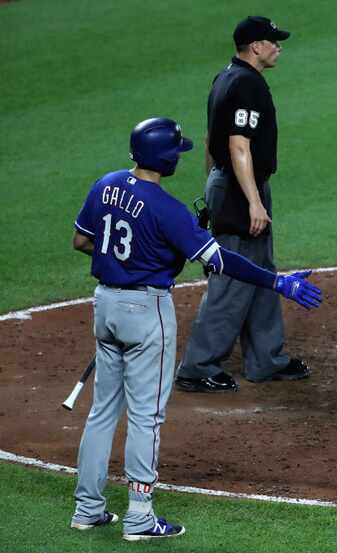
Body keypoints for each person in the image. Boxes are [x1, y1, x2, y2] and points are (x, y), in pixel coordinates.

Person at [70, 118, 322, 541]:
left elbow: (82, 241)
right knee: (147, 417)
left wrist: (128, 261)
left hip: (106, 304)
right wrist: (276, 281)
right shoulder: (168, 209)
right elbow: (221, 260)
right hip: (145, 311)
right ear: (166, 158)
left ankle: (87, 508)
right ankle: (139, 516)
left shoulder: (105, 185)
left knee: (102, 413)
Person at [175, 15, 305, 394]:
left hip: (229, 185)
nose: (278, 46)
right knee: (232, 276)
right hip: (239, 189)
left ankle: (266, 359)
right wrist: (251, 202)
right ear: (255, 46)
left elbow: (209, 138)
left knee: (261, 269)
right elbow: (237, 145)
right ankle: (197, 367)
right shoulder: (247, 84)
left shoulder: (226, 77)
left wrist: (211, 188)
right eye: (273, 41)